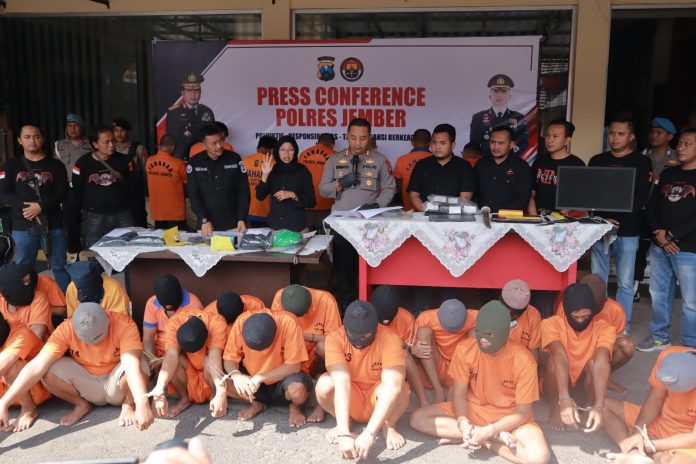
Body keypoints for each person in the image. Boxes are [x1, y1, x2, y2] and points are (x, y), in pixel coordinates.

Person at [410, 301, 550, 464]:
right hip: (473, 409)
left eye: (490, 334)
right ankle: (483, 436)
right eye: (479, 332)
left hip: (509, 416)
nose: (483, 339)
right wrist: (462, 421)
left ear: (508, 332)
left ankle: (484, 440)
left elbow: (523, 413)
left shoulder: (525, 361)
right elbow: (459, 394)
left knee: (539, 458)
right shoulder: (465, 349)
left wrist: (491, 430)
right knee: (418, 418)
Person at [0, 303, 153, 429]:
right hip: (88, 382)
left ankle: (128, 405)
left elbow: (131, 366)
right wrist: (4, 402)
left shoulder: (123, 324)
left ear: (108, 318)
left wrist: (141, 403)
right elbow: (36, 367)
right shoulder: (66, 328)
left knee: (139, 361)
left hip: (118, 382)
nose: (93, 344)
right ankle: (81, 405)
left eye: (98, 337)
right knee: (48, 369)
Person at [316, 301, 410, 459]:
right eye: (353, 334)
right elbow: (342, 382)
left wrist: (369, 434)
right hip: (353, 396)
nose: (359, 341)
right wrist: (344, 433)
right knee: (324, 383)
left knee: (400, 389)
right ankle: (344, 422)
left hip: (378, 397)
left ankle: (388, 425)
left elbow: (393, 385)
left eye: (365, 336)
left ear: (375, 328)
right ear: (345, 327)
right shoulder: (334, 339)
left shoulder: (390, 339)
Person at [319, 118, 396, 309]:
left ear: (370, 137)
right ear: (347, 136)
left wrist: (377, 205)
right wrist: (340, 184)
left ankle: (370, 306)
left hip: (370, 224)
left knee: (371, 265)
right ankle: (347, 306)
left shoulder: (380, 160)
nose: (358, 143)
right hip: (342, 224)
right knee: (344, 267)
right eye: (353, 138)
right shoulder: (334, 160)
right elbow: (322, 189)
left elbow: (389, 188)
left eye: (363, 138)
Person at [589, 114, 653, 334]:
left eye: (621, 134)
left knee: (625, 283)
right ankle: (599, 326)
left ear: (631, 136)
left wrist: (617, 221)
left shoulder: (642, 162)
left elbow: (641, 197)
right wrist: (602, 219)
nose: (615, 138)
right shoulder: (597, 161)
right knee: (598, 282)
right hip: (599, 229)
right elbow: (589, 194)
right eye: (612, 133)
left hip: (629, 230)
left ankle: (620, 328)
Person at [639, 128, 696, 351]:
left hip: (689, 248)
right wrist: (659, 233)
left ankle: (690, 345)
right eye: (680, 143)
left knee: (691, 301)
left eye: (687, 144)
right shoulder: (668, 174)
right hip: (660, 245)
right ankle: (659, 336)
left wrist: (672, 235)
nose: (680, 148)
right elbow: (651, 205)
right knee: (659, 293)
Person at [0, 124, 70, 290]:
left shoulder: (56, 165)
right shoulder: (10, 166)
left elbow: (63, 192)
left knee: (60, 266)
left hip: (53, 224)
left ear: (42, 139)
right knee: (23, 269)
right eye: (27, 137)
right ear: (20, 140)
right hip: (23, 225)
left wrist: (40, 206)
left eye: (36, 136)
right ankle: (28, 301)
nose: (32, 140)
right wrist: (26, 208)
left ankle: (65, 302)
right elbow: (3, 193)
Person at [602, 347, 696, 464]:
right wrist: (638, 431)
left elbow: (694, 438)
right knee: (600, 407)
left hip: (687, 437)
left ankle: (656, 455)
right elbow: (655, 399)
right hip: (660, 421)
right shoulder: (668, 356)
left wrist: (650, 445)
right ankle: (633, 453)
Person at [541, 283, 615, 432]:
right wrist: (563, 399)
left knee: (595, 363)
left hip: (584, 385)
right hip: (560, 384)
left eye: (586, 316)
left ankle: (589, 406)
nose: (580, 321)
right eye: (575, 317)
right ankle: (556, 407)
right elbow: (559, 355)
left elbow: (601, 361)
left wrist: (599, 405)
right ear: (565, 310)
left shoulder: (605, 328)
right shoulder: (551, 324)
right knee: (553, 362)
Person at [223, 309, 312, 426]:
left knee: (297, 389)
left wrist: (260, 377)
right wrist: (236, 376)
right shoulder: (241, 321)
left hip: (282, 380)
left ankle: (295, 408)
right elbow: (229, 358)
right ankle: (257, 403)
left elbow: (294, 366)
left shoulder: (288, 322)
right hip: (253, 381)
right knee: (221, 382)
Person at [149, 309, 228, 418]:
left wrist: (220, 389)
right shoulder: (174, 322)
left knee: (209, 361)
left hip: (209, 372)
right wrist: (159, 388)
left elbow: (215, 356)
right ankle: (184, 399)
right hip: (189, 368)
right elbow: (171, 355)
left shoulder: (216, 322)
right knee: (174, 360)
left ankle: (215, 396)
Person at [634, 117, 679, 301]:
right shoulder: (641, 156)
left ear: (670, 136)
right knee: (638, 249)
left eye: (659, 132)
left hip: (662, 213)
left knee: (664, 251)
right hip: (640, 210)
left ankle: (666, 292)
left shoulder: (677, 157)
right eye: (652, 131)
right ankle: (634, 286)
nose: (654, 135)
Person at [72, 124, 135, 248]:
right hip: (95, 217)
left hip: (122, 214)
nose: (111, 145)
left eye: (113, 141)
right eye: (107, 142)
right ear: (95, 144)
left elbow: (133, 187)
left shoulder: (125, 161)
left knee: (128, 248)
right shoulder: (82, 164)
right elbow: (78, 190)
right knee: (95, 250)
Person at [186, 124, 249, 235]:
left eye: (221, 141)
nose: (219, 145)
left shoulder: (234, 159)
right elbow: (193, 194)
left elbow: (243, 191)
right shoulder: (194, 162)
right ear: (204, 145)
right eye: (214, 143)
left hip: (234, 224)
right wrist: (204, 219)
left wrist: (242, 218)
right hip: (207, 225)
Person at [370, 285, 428, 407]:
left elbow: (413, 353)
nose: (386, 322)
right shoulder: (365, 317)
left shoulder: (406, 318)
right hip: (371, 362)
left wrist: (410, 348)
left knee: (405, 355)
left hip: (395, 364)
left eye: (390, 317)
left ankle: (424, 402)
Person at [412, 299, 478, 404]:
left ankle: (457, 386)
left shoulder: (475, 317)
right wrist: (413, 350)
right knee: (423, 331)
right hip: (436, 364)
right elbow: (415, 353)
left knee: (475, 332)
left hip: (461, 365)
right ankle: (438, 390)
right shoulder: (426, 318)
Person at [142, 274, 203, 376]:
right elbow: (148, 338)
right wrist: (152, 360)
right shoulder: (152, 302)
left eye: (173, 308)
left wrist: (166, 359)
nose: (170, 312)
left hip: (181, 350)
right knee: (136, 361)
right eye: (166, 308)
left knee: (174, 365)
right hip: (157, 350)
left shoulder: (193, 305)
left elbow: (191, 342)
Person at [407, 123, 475, 212]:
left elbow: (465, 198)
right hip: (425, 216)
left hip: (455, 217)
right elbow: (414, 195)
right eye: (434, 143)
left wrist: (447, 214)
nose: (437, 147)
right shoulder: (421, 165)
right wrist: (427, 211)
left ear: (453, 145)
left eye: (442, 143)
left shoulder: (464, 166)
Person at [0, 315, 52, 432]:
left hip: (33, 390)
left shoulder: (22, 333)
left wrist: (2, 404)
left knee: (10, 368)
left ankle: (29, 409)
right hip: (4, 392)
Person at [0, 235, 67, 323]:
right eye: (24, 282)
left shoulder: (45, 283)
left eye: (28, 280)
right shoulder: (5, 289)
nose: (27, 282)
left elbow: (64, 311)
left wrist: (39, 309)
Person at [256, 136, 316, 232]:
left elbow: (311, 201)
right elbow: (259, 196)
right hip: (275, 227)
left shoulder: (303, 171)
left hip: (297, 228)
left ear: (295, 151)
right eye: (283, 150)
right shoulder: (272, 170)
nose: (286, 153)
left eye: (290, 150)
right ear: (277, 151)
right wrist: (265, 174)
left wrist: (293, 195)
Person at [54, 114, 92, 263]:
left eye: (76, 126)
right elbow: (56, 169)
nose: (73, 129)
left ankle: (93, 254)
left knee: (91, 221)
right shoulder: (58, 145)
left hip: (89, 189)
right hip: (69, 190)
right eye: (69, 126)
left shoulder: (91, 144)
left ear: (82, 128)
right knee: (71, 223)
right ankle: (74, 254)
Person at [528, 119, 585, 215]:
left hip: (564, 220)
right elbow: (531, 195)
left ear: (567, 140)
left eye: (555, 136)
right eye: (547, 135)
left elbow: (578, 198)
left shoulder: (577, 165)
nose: (549, 140)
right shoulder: (539, 162)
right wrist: (534, 217)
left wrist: (558, 217)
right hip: (538, 218)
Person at [475, 126, 532, 213]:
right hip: (480, 216)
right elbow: (473, 192)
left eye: (501, 143)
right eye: (492, 142)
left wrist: (499, 213)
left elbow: (522, 199)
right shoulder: (481, 164)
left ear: (511, 144)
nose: (495, 147)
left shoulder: (521, 167)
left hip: (508, 218)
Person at [469, 74, 528, 158]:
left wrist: (508, 157)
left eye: (504, 91)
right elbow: (473, 145)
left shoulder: (518, 118)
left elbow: (523, 143)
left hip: (510, 162)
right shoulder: (478, 117)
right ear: (490, 96)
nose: (499, 95)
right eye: (496, 91)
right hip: (485, 162)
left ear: (509, 96)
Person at [166, 72, 215, 159]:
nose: (193, 94)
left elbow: (212, 136)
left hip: (203, 158)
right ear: (182, 93)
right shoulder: (174, 112)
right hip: (182, 159)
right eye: (189, 90)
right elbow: (171, 139)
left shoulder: (207, 111)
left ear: (200, 93)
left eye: (196, 90)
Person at [146, 133, 188, 230]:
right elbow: (187, 181)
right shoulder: (178, 164)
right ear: (173, 147)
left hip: (158, 212)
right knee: (178, 238)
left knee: (162, 238)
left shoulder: (149, 161)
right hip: (175, 212)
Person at [0, 263, 52, 340]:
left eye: (29, 281)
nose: (28, 284)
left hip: (35, 347)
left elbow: (37, 337)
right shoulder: (1, 300)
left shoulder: (38, 299)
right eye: (24, 282)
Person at [113, 118, 149, 227]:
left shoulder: (138, 149)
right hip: (115, 193)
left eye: (122, 130)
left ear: (128, 132)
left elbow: (146, 172)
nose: (119, 133)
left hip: (134, 193)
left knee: (138, 224)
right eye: (116, 130)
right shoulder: (110, 148)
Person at [298, 133, 337, 230]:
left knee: (306, 237)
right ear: (332, 144)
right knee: (326, 237)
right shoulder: (335, 155)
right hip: (326, 205)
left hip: (306, 205)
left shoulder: (303, 154)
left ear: (317, 142)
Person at [65, 260, 130, 318]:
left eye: (89, 286)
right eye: (80, 288)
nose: (84, 294)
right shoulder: (72, 288)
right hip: (82, 325)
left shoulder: (114, 289)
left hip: (112, 324)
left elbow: (121, 320)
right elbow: (71, 319)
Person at [500, 279, 541, 363]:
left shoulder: (533, 315)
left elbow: (534, 350)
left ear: (524, 310)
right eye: (504, 311)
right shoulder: (490, 312)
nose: (507, 316)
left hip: (521, 363)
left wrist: (533, 370)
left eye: (512, 314)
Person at [242, 135, 277, 228]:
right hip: (266, 211)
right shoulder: (274, 164)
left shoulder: (244, 161)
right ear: (272, 150)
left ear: (258, 148)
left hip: (245, 211)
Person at [393, 129, 432, 211]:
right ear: (430, 143)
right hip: (432, 210)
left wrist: (403, 198)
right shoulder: (436, 159)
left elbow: (398, 183)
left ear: (412, 142)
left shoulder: (401, 160)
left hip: (409, 210)